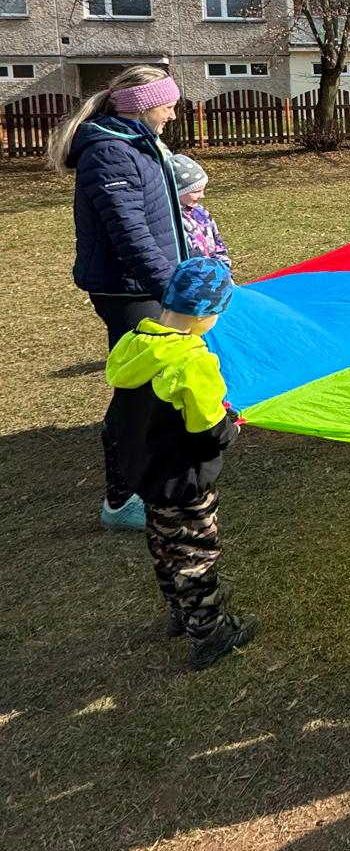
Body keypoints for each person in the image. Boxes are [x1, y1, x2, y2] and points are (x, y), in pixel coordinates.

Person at [47, 65, 189, 533]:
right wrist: (172, 289)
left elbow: (160, 221)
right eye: (167, 106)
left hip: (147, 284)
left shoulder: (137, 144)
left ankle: (151, 473)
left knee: (153, 383)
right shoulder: (109, 152)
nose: (172, 115)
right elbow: (131, 235)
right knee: (137, 390)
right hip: (128, 289)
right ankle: (121, 497)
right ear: (143, 106)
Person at [104, 256, 254, 669]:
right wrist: (231, 428)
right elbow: (208, 431)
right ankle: (209, 631)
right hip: (183, 480)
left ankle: (179, 608)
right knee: (195, 553)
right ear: (205, 315)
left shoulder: (133, 344)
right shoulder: (192, 362)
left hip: (147, 473)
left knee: (163, 544)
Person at [172, 154, 231, 265]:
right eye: (196, 191)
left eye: (203, 190)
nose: (202, 195)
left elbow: (218, 244)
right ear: (177, 192)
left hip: (214, 270)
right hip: (192, 272)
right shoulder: (173, 220)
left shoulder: (202, 213)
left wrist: (224, 267)